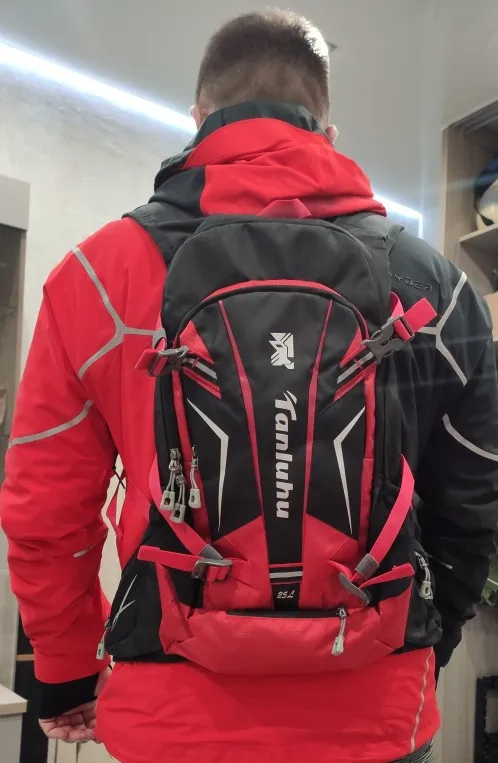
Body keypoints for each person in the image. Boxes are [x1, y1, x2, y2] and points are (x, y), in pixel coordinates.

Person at [1, 9, 497, 763]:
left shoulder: (97, 276)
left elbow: (46, 513)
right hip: (375, 712)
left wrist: (66, 672)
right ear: (328, 133)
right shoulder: (438, 287)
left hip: (173, 717)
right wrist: (424, 650)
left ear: (197, 119)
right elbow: (472, 502)